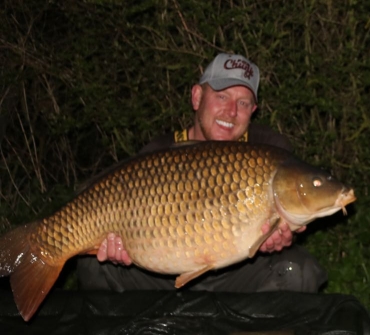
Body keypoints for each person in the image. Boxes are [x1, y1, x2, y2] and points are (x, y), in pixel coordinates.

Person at [77, 53, 327, 293]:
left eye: (243, 103)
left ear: (253, 110)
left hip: (238, 273)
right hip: (162, 274)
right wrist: (119, 250)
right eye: (222, 97)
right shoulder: (158, 153)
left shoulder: (271, 152)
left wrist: (282, 240)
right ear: (197, 97)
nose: (231, 111)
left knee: (299, 270)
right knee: (94, 266)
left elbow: (285, 220)